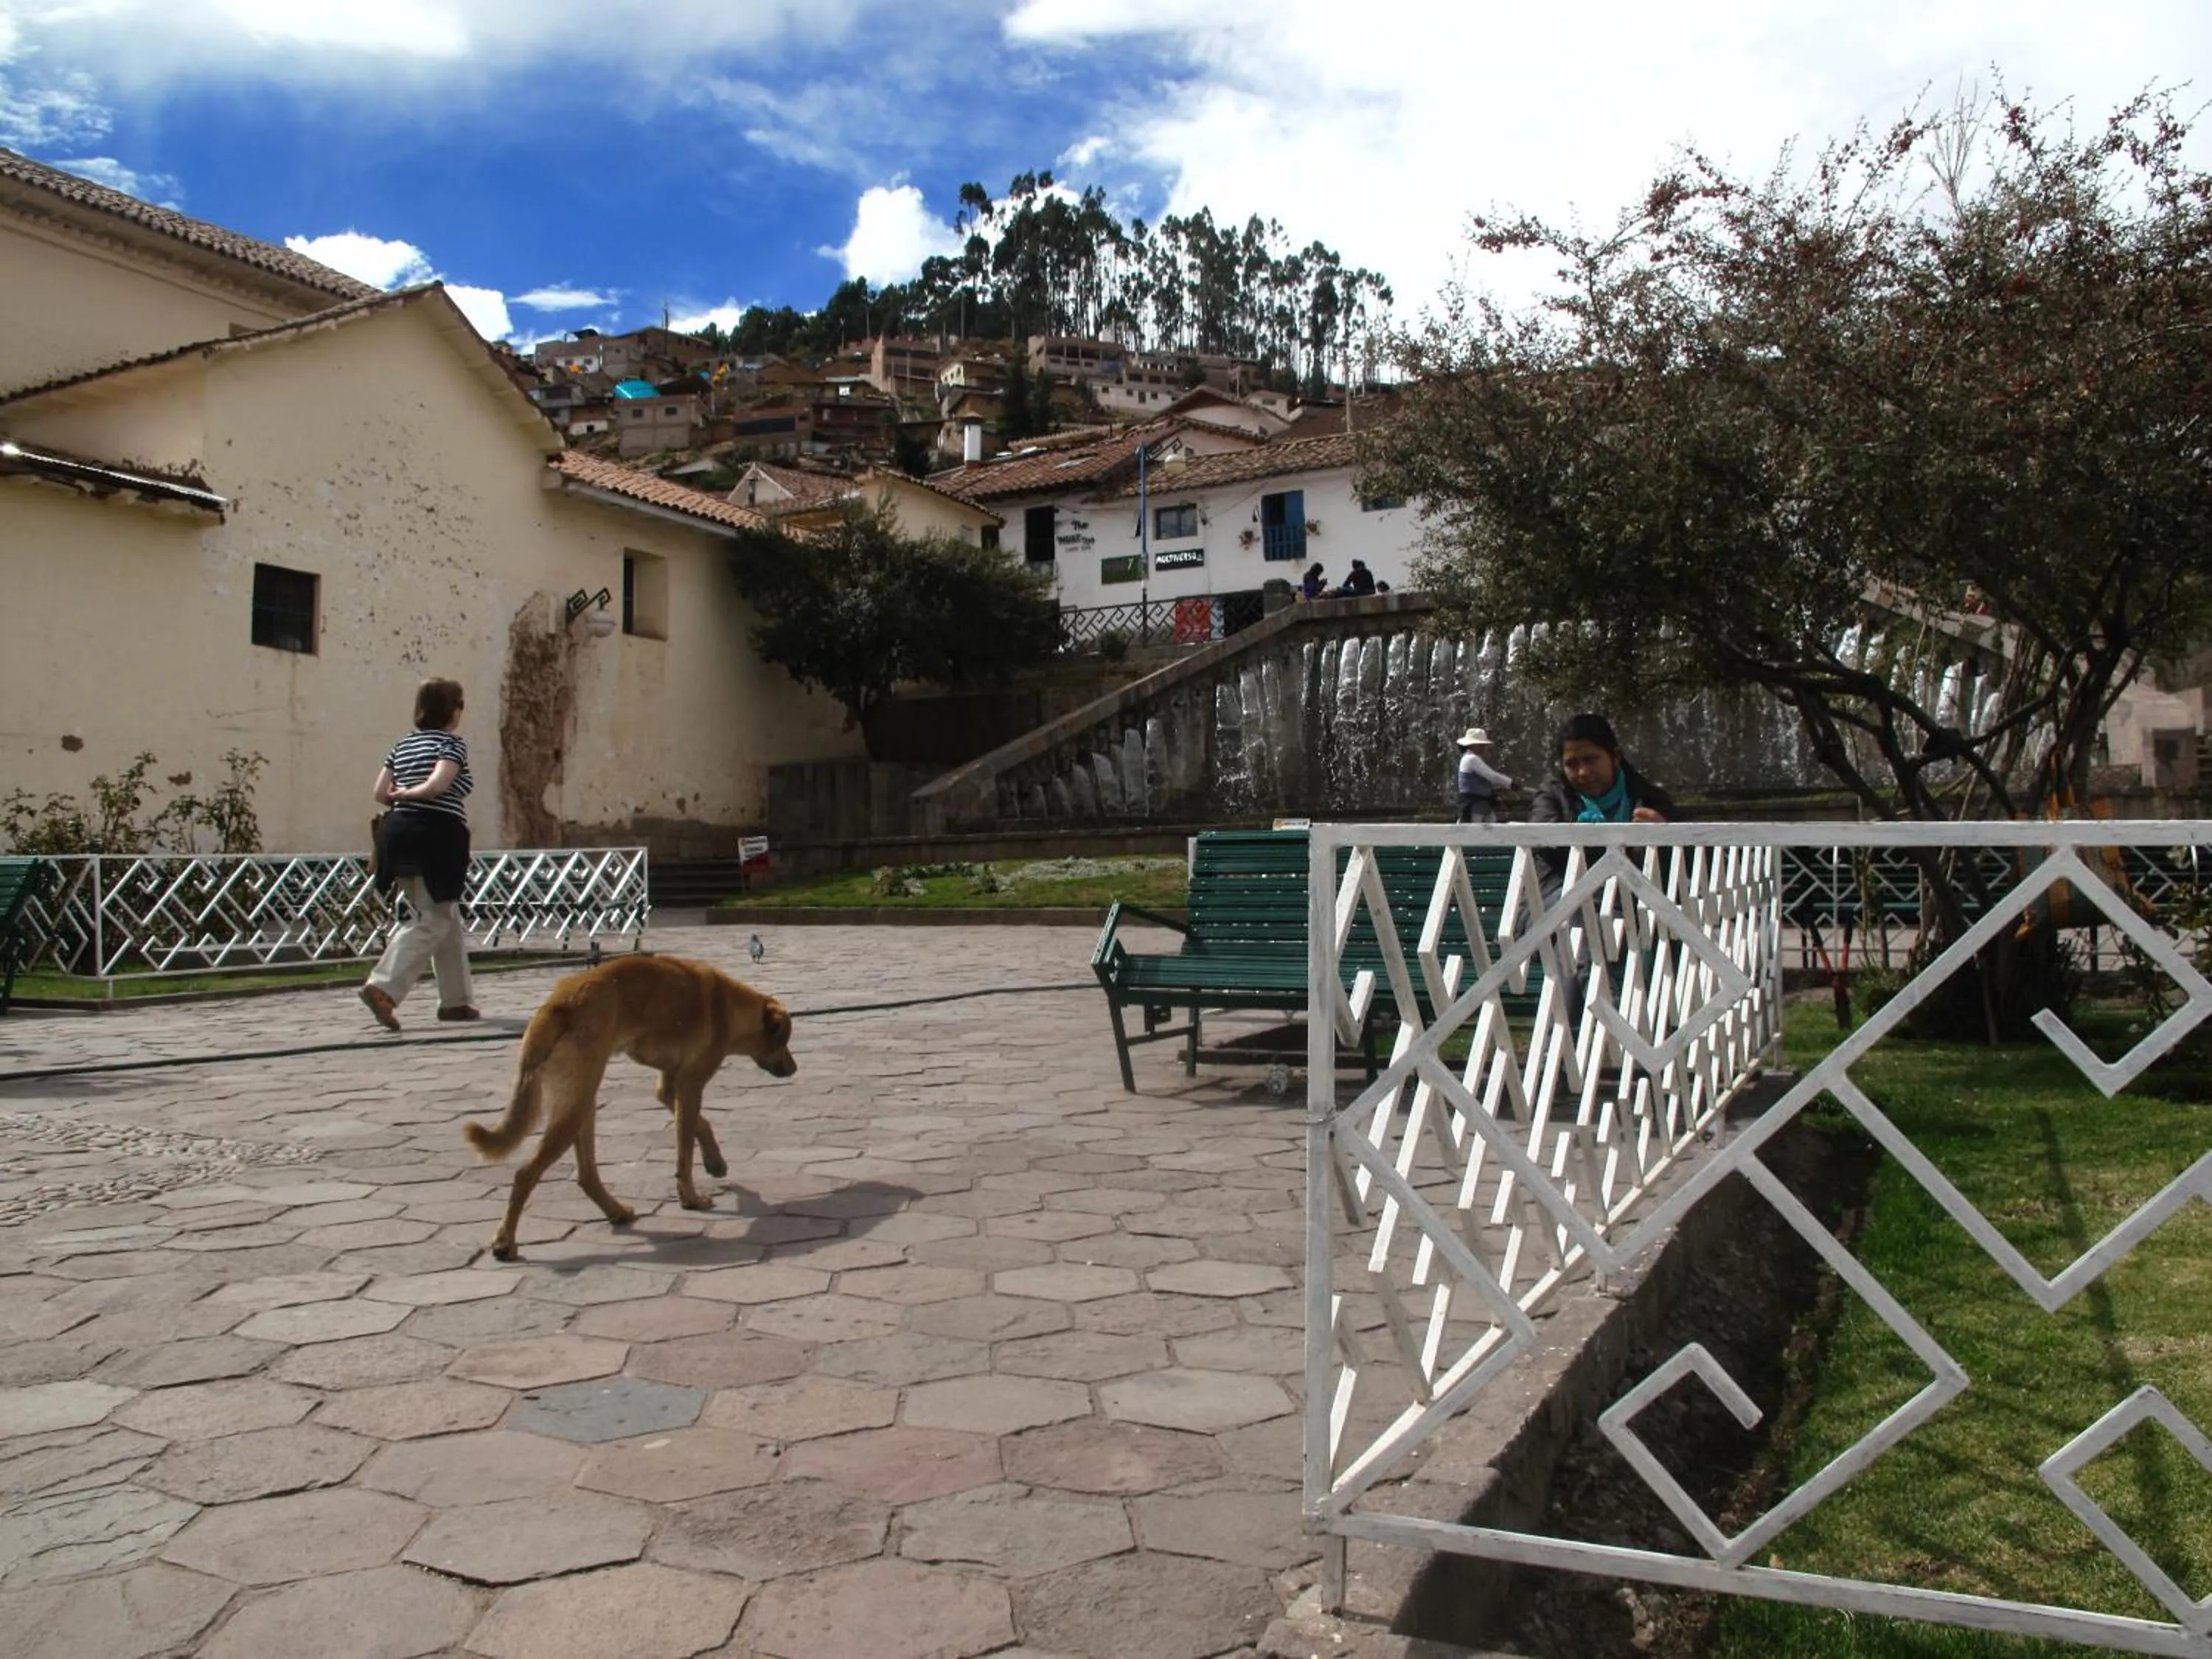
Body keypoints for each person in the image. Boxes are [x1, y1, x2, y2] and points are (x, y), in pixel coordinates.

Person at [1526, 713, 1677, 1031]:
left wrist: (1664, 836)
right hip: (1554, 905)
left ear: (1616, 756)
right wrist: (1605, 839)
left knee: (1575, 945)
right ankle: (1616, 1021)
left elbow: (1685, 863)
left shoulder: (1649, 799)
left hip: (1627, 910)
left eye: (1592, 759)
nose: (1582, 772)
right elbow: (1543, 838)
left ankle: (1555, 1062)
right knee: (1580, 918)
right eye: (1572, 763)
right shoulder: (1552, 797)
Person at [360, 677, 477, 1029]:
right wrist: (413, 793)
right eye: (460, 705)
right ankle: (383, 987)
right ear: (451, 709)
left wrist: (401, 795)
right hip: (435, 836)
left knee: (445, 916)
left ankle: (456, 1002)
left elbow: (381, 792)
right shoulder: (451, 745)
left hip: (399, 834)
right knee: (435, 918)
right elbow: (439, 785)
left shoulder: (404, 744)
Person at [1454, 728, 1514, 824]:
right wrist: (1510, 783)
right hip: (1473, 805)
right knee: (1475, 832)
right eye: (1482, 745)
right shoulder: (1471, 759)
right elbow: (1492, 776)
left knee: (1491, 824)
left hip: (1482, 804)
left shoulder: (1472, 758)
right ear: (1473, 745)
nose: (1484, 747)